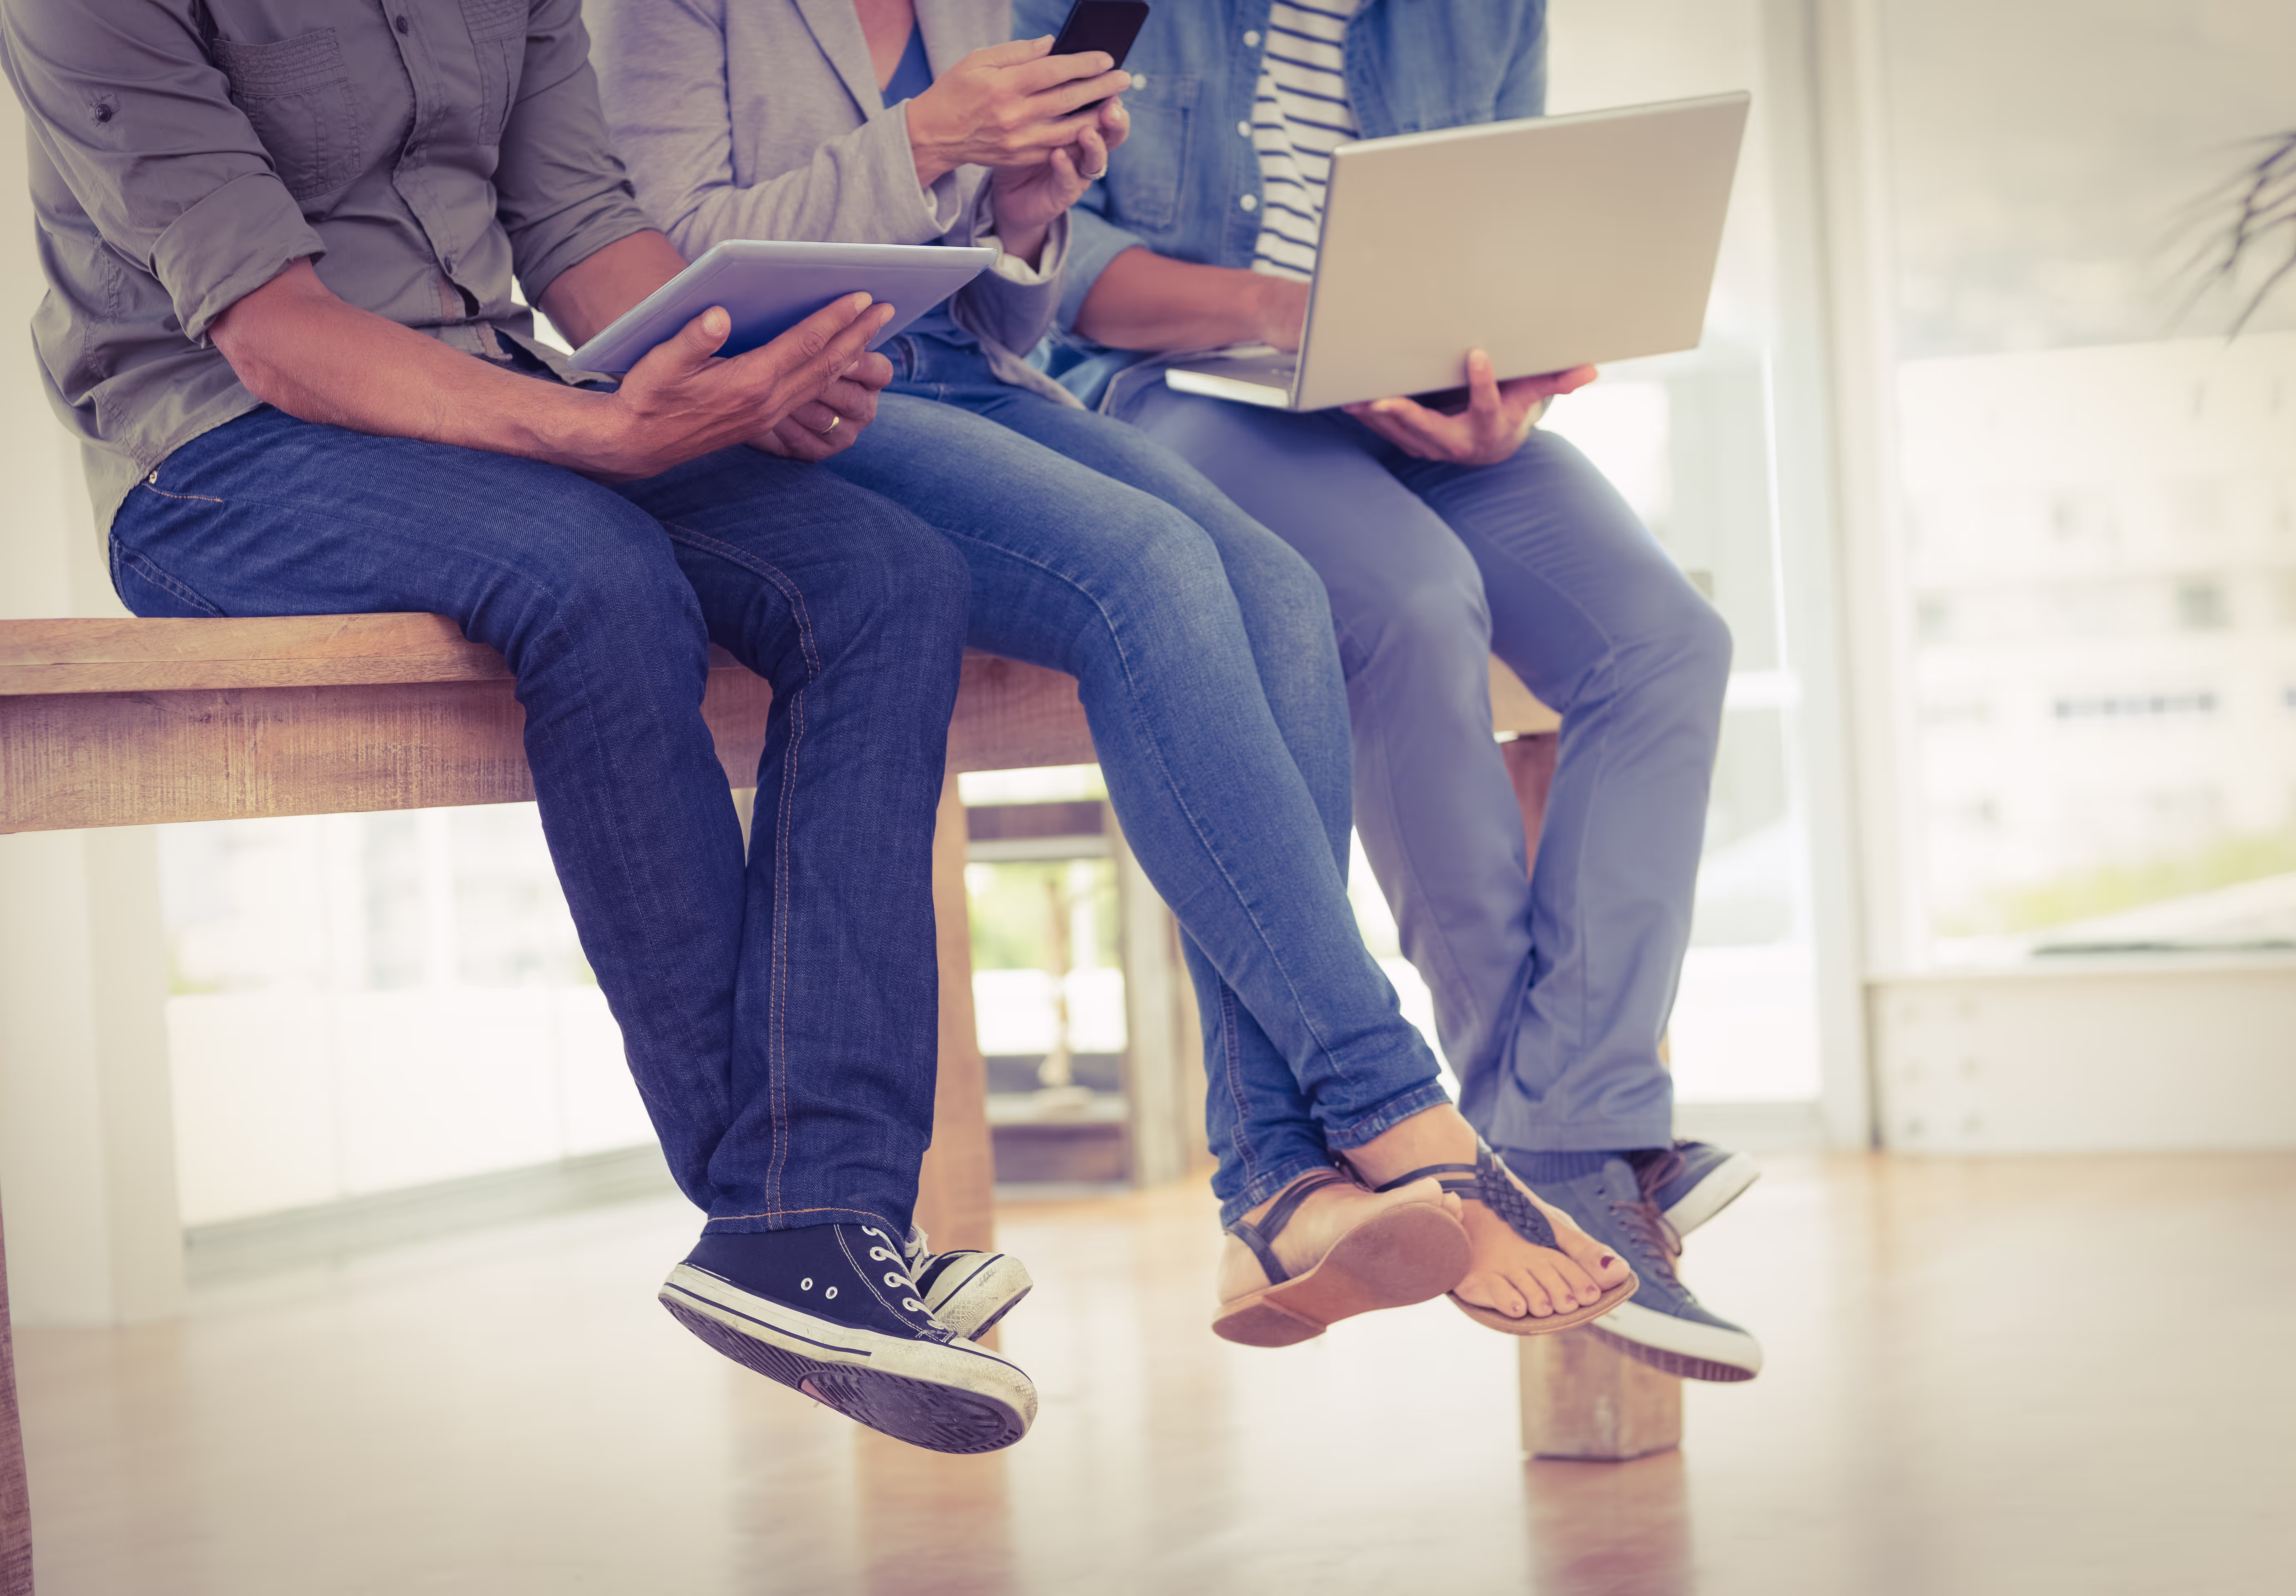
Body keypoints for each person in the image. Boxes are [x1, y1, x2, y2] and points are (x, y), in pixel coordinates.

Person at [0, 0, 1051, 1453]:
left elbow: (574, 227)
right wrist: (605, 435)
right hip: (221, 460)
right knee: (593, 575)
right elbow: (277, 332)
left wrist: (744, 366)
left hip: (500, 404)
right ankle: (779, 1216)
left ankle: (822, 1209)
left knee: (887, 575)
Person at [588, 0, 1641, 1347]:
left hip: (975, 380)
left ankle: (1276, 1180)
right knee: (1150, 569)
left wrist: (1022, 208)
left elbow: (1005, 298)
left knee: (1277, 591)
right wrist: (918, 140)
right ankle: (1395, 1110)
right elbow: (659, 264)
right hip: (807, 397)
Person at [1018, 0, 1765, 1382]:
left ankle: (1565, 1116)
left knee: (1669, 639)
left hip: (1426, 407)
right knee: (1415, 602)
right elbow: (1038, 258)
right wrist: (1292, 316)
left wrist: (1513, 389)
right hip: (1180, 391)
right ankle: (1542, 1135)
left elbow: (1513, 234)